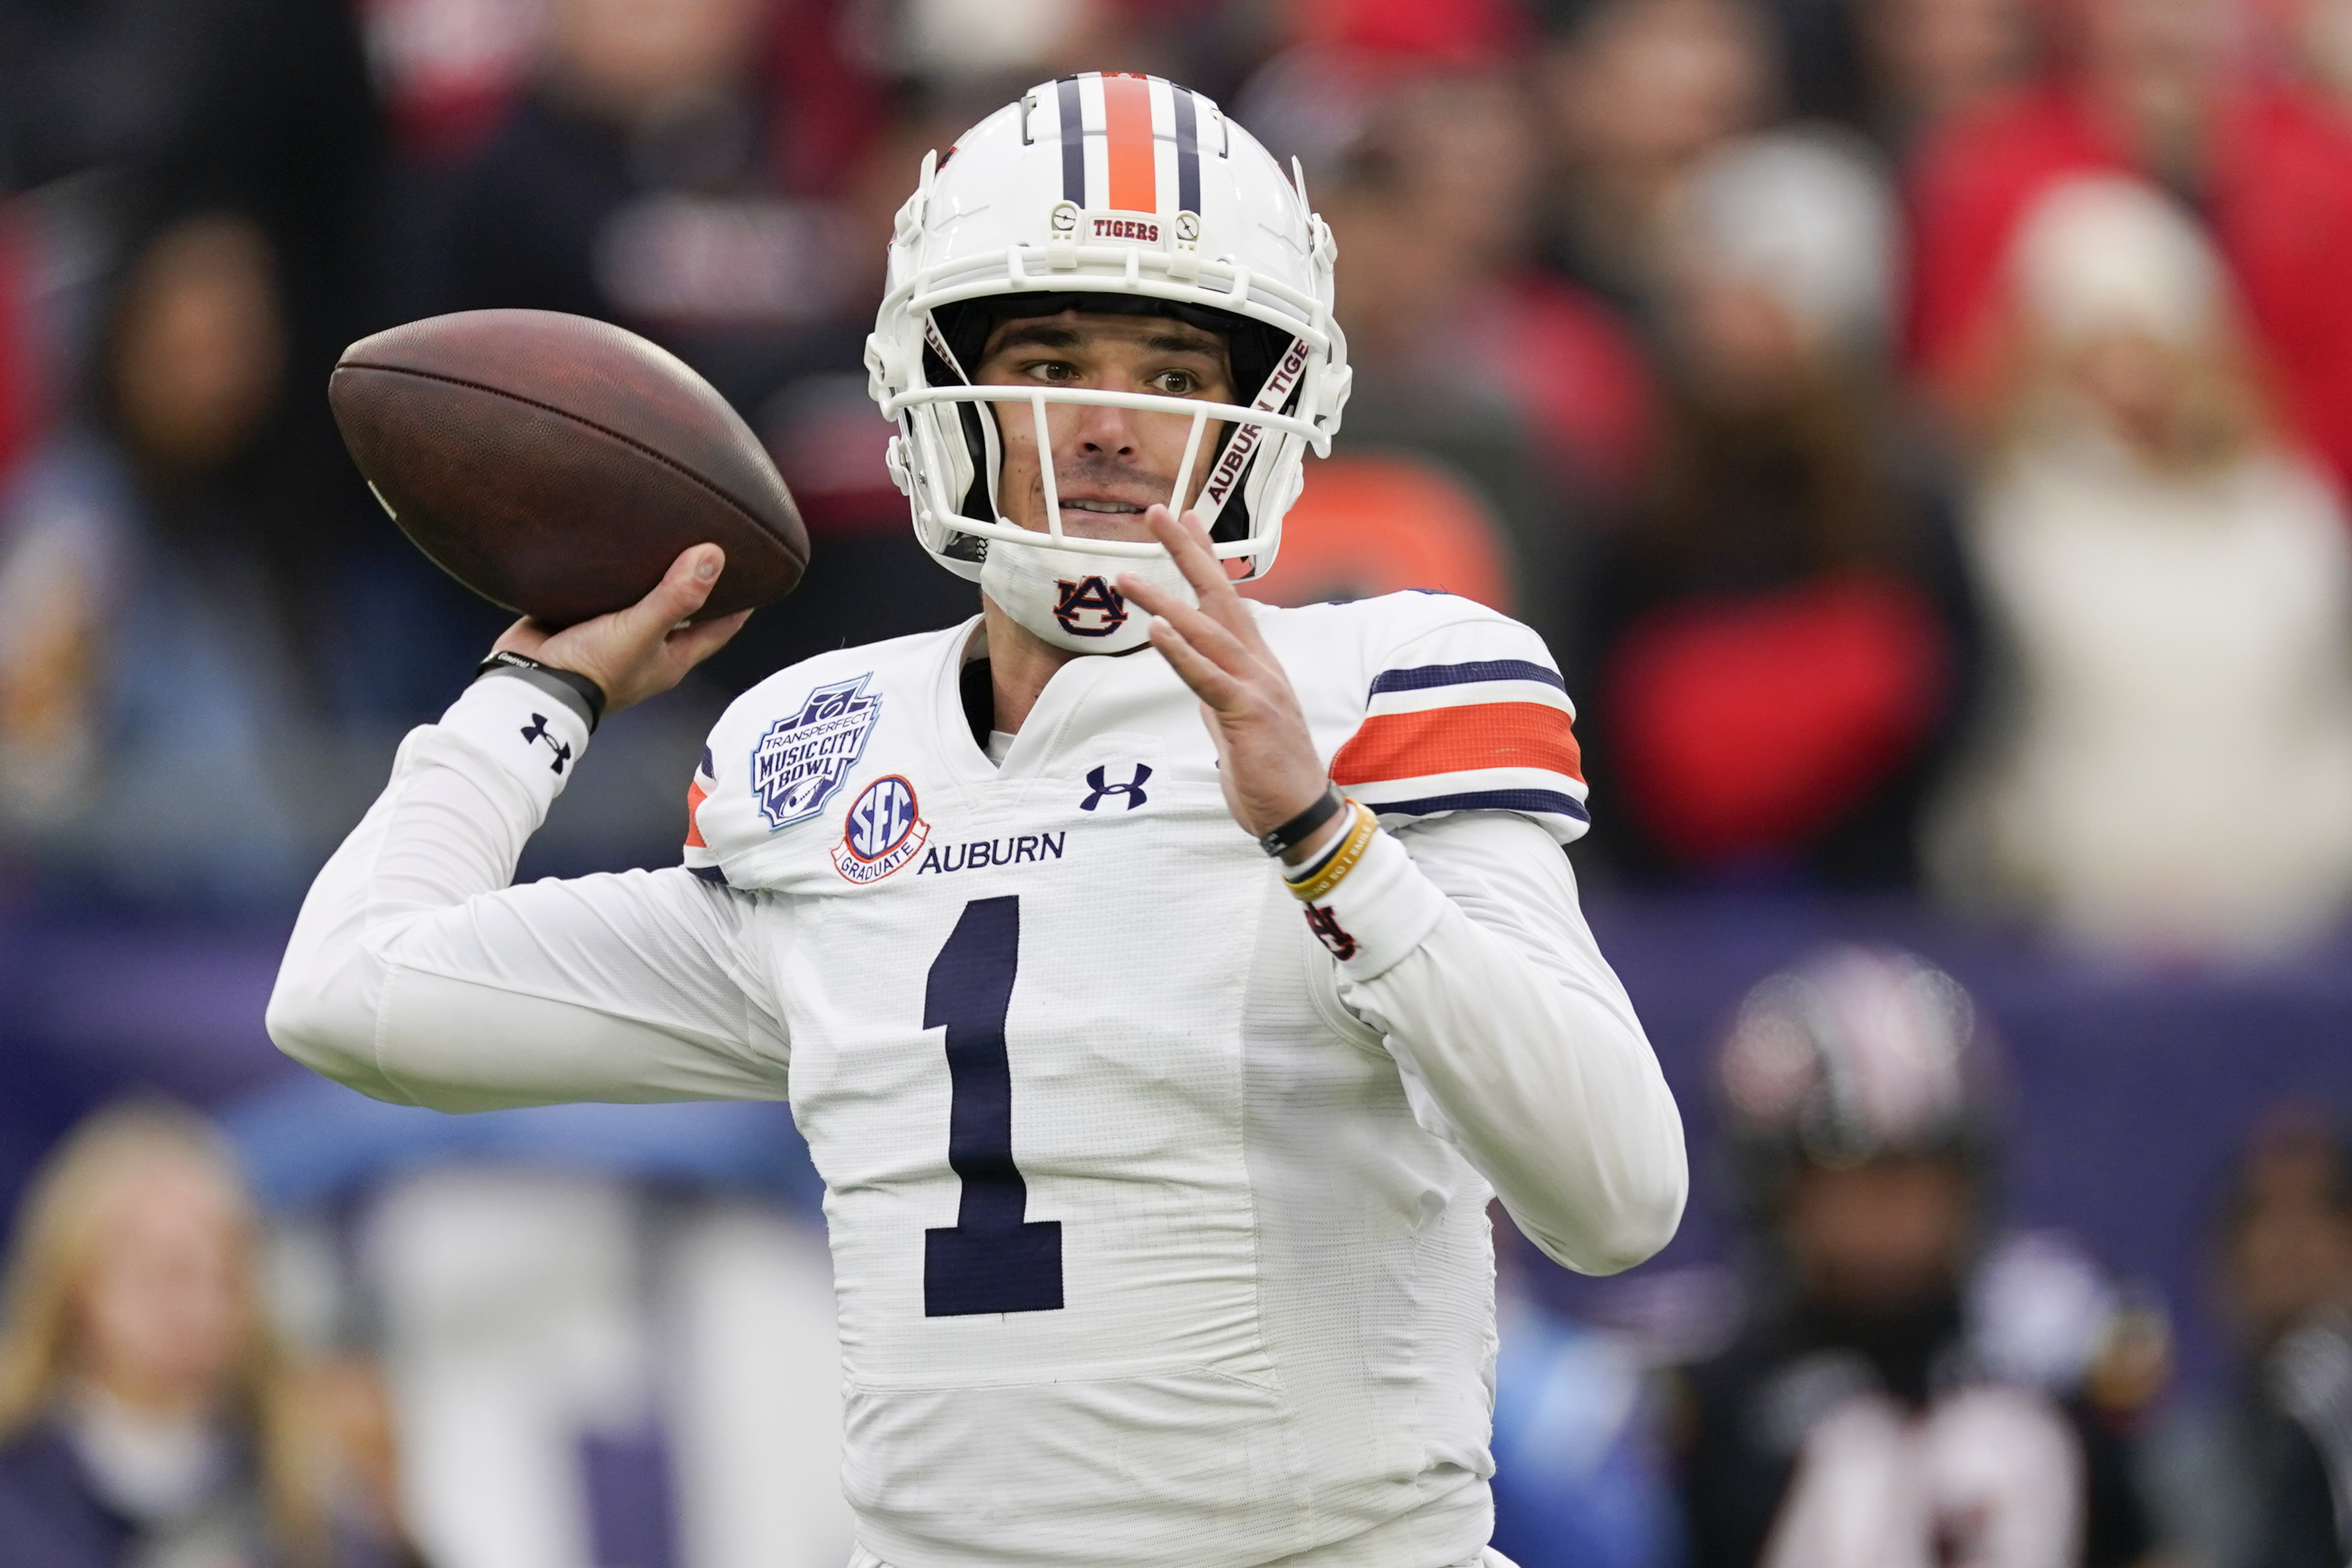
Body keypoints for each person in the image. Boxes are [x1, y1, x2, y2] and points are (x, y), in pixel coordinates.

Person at [268, 71, 1689, 1568]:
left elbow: (1613, 1194)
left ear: (1266, 403)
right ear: (934, 384)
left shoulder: (1379, 686)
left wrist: (1324, 838)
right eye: (1053, 355)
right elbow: (351, 992)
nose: (1110, 421)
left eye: (1169, 367)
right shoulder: (815, 758)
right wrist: (532, 697)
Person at [1926, 176, 2352, 960]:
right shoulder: (2003, 520)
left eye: (2148, 343)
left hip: (2285, 931)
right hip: (2065, 934)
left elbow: (2324, 709)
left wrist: (2314, 847)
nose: (2127, 378)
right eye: (2096, 345)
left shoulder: (2284, 517)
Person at [1677, 945, 2159, 1568]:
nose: (1891, 1215)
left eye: (1918, 1175)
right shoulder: (1709, 1384)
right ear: (1776, 1189)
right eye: (1853, 1177)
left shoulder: (2062, 1343)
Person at [0, 1101, 420, 1568]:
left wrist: (396, 1527)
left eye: (224, 1277)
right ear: (80, 1283)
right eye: (166, 1275)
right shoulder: (18, 1483)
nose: (199, 1308)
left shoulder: (299, 1484)